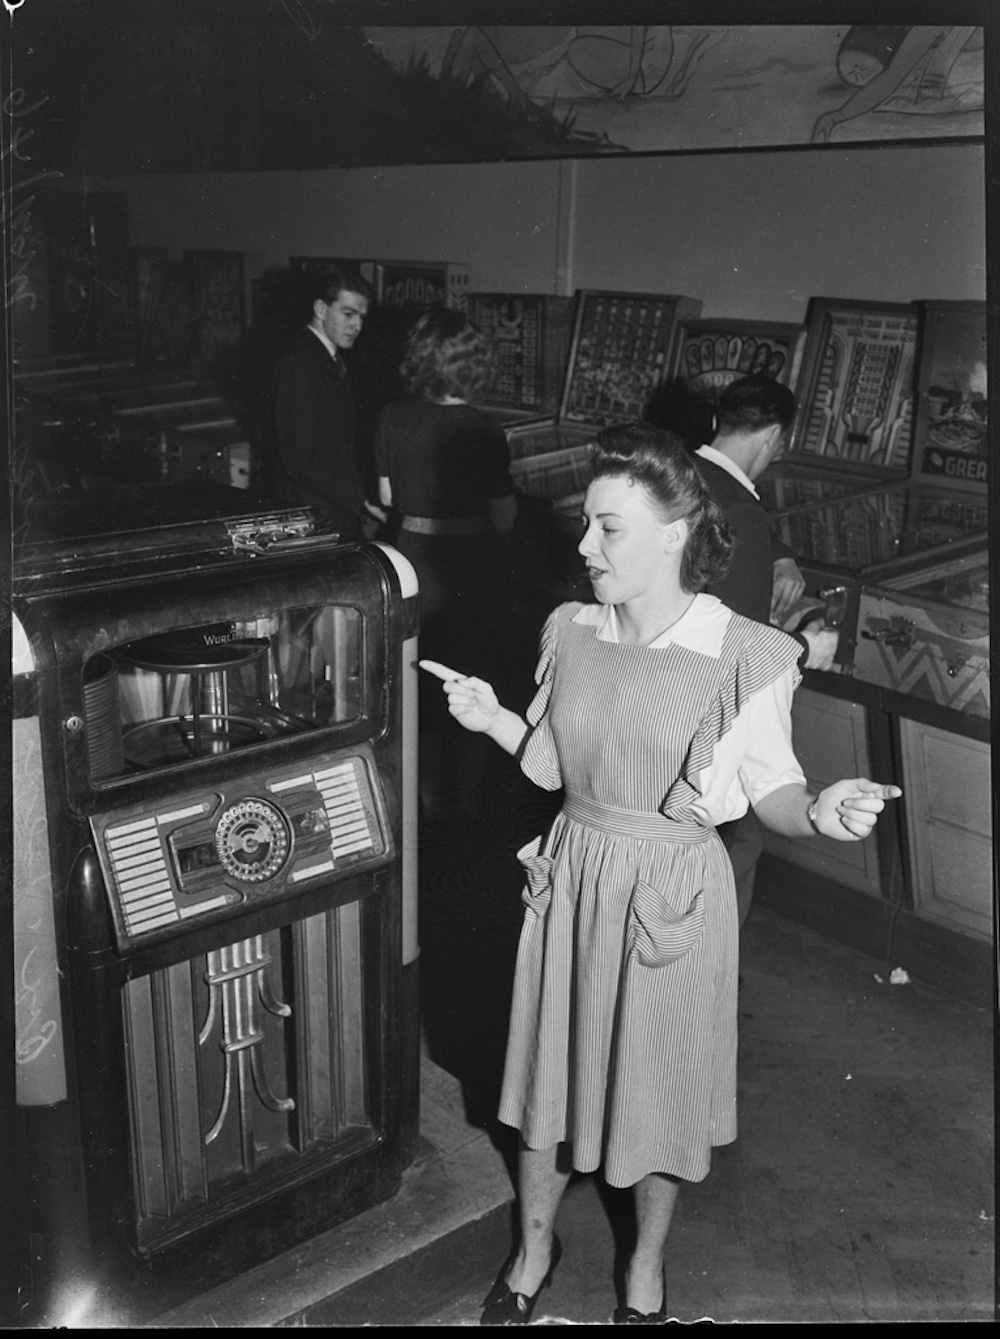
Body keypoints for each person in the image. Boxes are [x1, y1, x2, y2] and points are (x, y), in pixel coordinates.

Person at [423, 423, 900, 1325]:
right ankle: (532, 1251)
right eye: (587, 525)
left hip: (672, 899)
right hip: (573, 881)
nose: (583, 545)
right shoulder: (570, 629)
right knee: (545, 1085)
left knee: (659, 1098)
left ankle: (644, 1269)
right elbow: (557, 764)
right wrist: (493, 719)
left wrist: (821, 810)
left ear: (676, 532)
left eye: (608, 528)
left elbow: (775, 788)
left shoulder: (741, 653)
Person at [694, 374, 839, 928]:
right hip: (711, 728)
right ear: (777, 436)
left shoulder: (678, 471)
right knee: (736, 847)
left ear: (718, 422)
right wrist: (806, 647)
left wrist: (777, 554)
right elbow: (746, 656)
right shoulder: (743, 514)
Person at [375, 307, 517, 814]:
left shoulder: (393, 416)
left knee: (416, 676)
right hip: (469, 567)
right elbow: (503, 518)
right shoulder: (483, 427)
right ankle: (466, 801)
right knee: (470, 678)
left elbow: (389, 496)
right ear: (472, 365)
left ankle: (419, 796)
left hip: (411, 560)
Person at [271, 268, 378, 539]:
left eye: (362, 317)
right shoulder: (300, 362)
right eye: (348, 314)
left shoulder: (323, 358)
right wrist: (360, 500)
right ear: (321, 308)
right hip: (312, 513)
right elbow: (301, 459)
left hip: (330, 507)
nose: (358, 326)